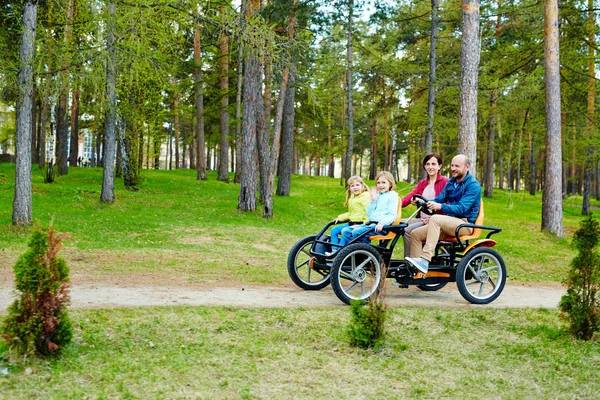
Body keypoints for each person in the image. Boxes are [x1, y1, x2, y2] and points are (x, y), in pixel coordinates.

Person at [405, 154, 481, 274]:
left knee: (435, 218)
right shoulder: (451, 182)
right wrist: (424, 202)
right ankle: (414, 272)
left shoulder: (473, 185)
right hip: (449, 223)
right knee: (415, 234)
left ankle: (425, 260)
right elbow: (439, 199)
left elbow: (462, 208)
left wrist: (440, 206)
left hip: (465, 224)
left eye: (457, 166)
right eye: (452, 165)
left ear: (467, 167)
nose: (453, 168)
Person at [400, 153, 448, 258]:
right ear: (424, 166)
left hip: (436, 221)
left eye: (433, 164)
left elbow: (447, 203)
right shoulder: (422, 183)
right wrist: (396, 203)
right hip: (422, 219)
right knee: (398, 224)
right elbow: (410, 197)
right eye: (428, 164)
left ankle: (410, 259)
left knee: (407, 230)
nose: (430, 167)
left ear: (439, 166)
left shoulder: (445, 182)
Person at [337, 171, 399, 248]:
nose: (380, 185)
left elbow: (392, 215)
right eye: (378, 183)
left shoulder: (392, 196)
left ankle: (365, 251)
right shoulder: (378, 195)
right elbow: (368, 213)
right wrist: (373, 200)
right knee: (345, 231)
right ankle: (354, 251)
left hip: (382, 227)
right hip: (371, 224)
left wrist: (382, 223)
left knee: (357, 232)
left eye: (383, 182)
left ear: (390, 184)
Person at [329, 176, 371, 249]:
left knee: (344, 233)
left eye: (357, 185)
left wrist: (366, 224)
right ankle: (334, 250)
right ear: (349, 188)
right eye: (352, 186)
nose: (355, 187)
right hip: (352, 223)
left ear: (362, 186)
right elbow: (351, 213)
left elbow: (369, 212)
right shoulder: (352, 198)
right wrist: (339, 218)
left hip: (361, 224)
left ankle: (339, 254)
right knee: (334, 230)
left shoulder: (365, 197)